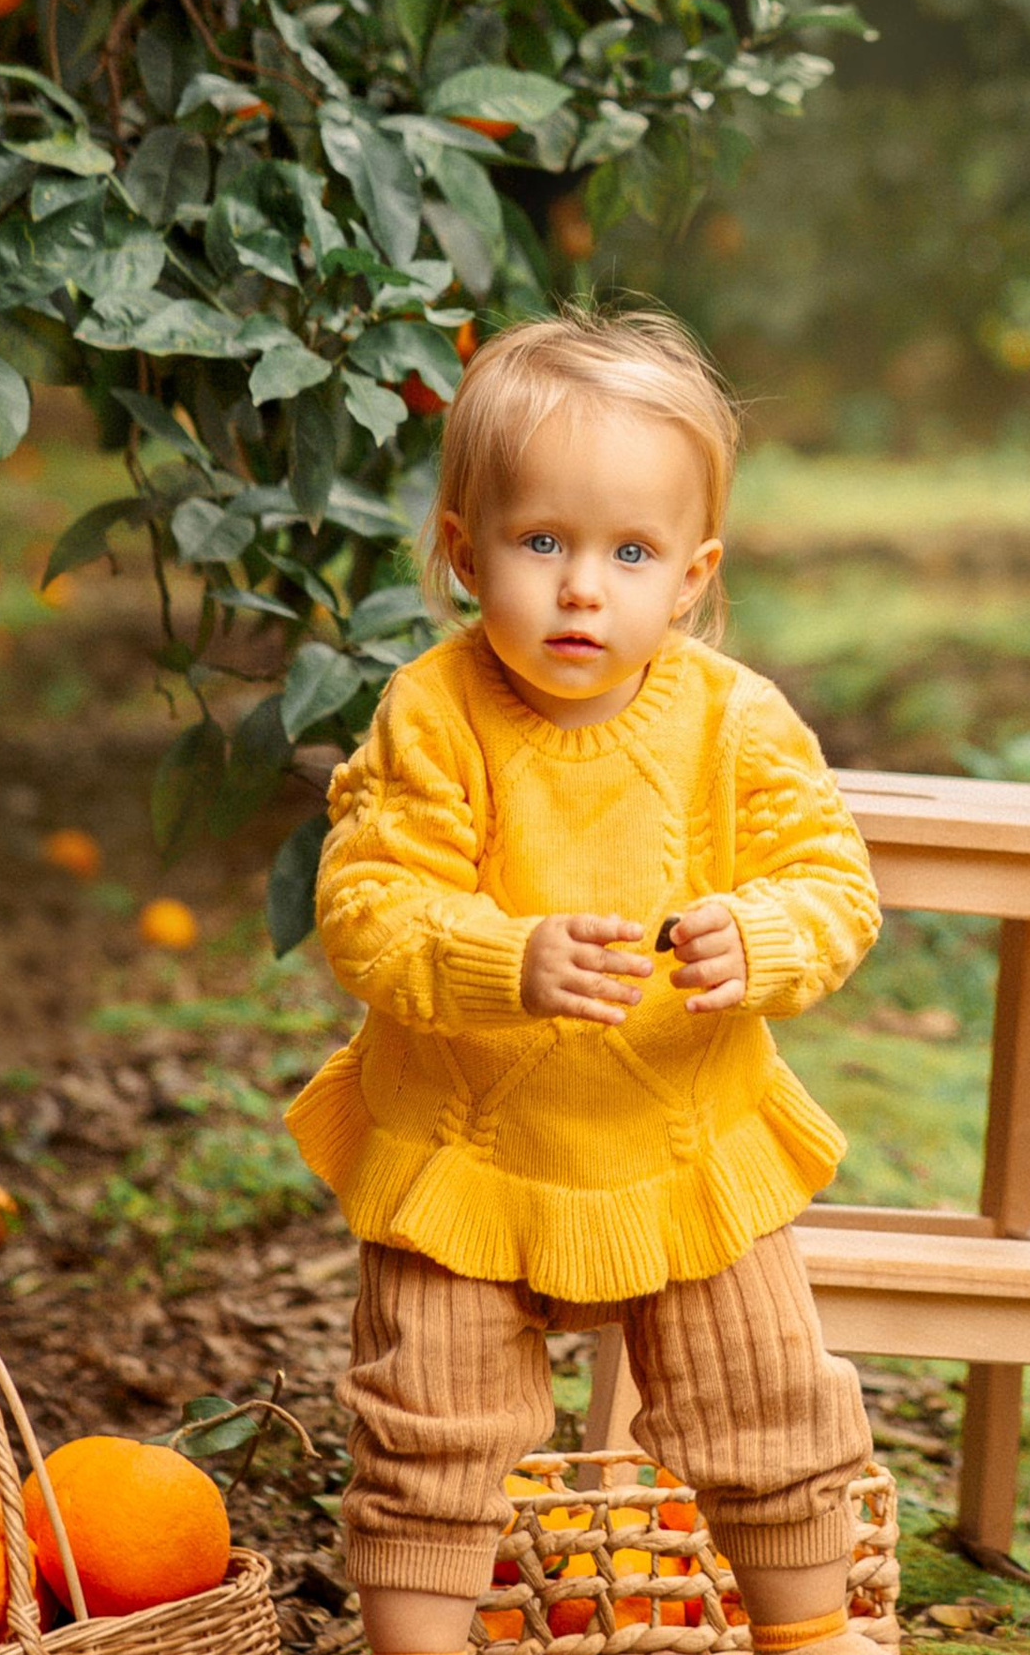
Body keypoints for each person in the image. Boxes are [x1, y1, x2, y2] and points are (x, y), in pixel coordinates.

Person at [284, 299, 888, 1655]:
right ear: (461, 551)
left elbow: (835, 884)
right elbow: (367, 907)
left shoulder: (736, 721)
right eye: (540, 541)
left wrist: (765, 935)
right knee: (430, 1425)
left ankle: (807, 1636)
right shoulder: (433, 714)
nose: (580, 588)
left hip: (682, 1141)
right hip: (468, 1147)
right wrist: (509, 956)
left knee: (770, 1403)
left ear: (690, 576)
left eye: (629, 552)